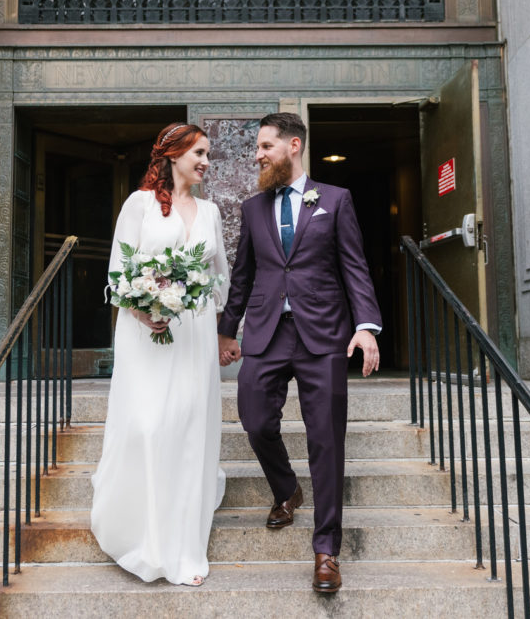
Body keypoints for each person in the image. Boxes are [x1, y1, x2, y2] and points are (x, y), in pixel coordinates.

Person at [217, 112, 382, 593]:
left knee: (326, 440)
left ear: (294, 146)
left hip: (323, 335)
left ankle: (326, 549)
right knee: (255, 419)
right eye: (257, 148)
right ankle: (286, 487)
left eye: (266, 146)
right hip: (266, 334)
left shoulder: (336, 200)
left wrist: (366, 327)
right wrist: (229, 331)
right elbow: (243, 274)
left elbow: (355, 266)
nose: (258, 155)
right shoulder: (252, 208)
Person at [90, 123, 229, 586]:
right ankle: (143, 534)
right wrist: (142, 308)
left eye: (208, 153)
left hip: (196, 336)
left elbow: (220, 280)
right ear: (173, 155)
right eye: (200, 153)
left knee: (189, 429)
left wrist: (223, 332)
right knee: (150, 426)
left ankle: (184, 546)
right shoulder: (140, 205)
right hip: (144, 334)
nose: (207, 161)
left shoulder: (210, 212)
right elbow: (116, 275)